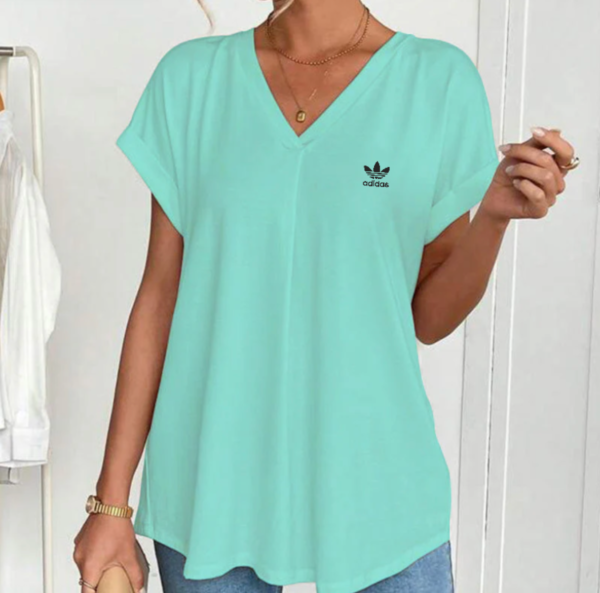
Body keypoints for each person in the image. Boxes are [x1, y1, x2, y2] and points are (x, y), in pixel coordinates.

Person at [73, 1, 579, 592]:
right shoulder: (191, 80)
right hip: (211, 488)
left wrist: (493, 217)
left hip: (379, 493)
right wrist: (111, 503)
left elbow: (428, 318)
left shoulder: (436, 81)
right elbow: (160, 295)